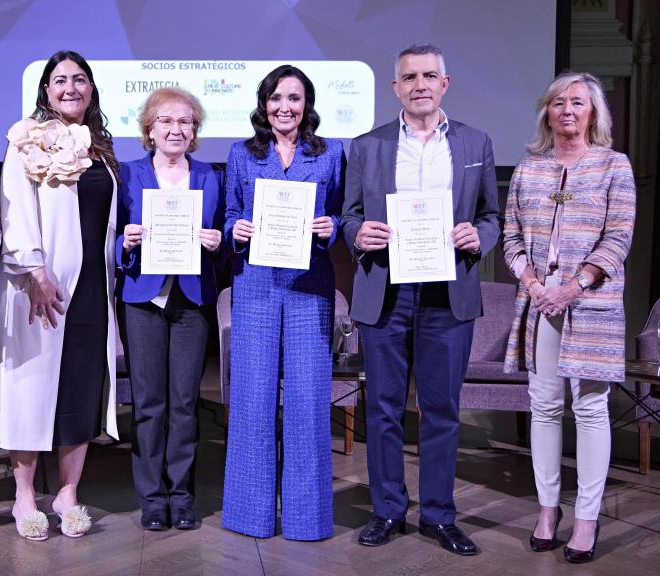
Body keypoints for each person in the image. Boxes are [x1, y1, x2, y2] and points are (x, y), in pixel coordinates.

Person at [341, 43, 500, 556]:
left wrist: (480, 237)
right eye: (409, 77)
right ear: (396, 88)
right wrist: (357, 233)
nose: (420, 85)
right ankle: (387, 510)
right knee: (383, 409)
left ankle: (438, 515)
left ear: (445, 83)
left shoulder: (475, 142)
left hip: (447, 295)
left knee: (441, 410)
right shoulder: (367, 145)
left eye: (429, 75)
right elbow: (348, 216)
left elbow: (491, 217)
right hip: (386, 291)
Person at [502, 71, 635, 564]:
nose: (567, 111)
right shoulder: (528, 169)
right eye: (558, 103)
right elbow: (511, 237)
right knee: (544, 406)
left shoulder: (613, 166)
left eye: (577, 102)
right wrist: (536, 285)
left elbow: (618, 237)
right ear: (547, 112)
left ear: (593, 112)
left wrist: (574, 286)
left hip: (592, 303)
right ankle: (547, 511)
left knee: (591, 408)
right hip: (541, 302)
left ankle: (586, 518)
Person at [0, 50, 119, 541]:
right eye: (61, 80)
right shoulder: (25, 139)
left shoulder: (101, 147)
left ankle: (67, 492)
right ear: (46, 89)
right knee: (31, 386)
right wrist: (34, 270)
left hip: (91, 287)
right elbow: (15, 209)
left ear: (91, 89)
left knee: (81, 386)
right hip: (40, 285)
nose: (71, 88)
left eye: (80, 79)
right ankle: (25, 494)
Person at [222, 65, 345, 541]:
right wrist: (236, 229)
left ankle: (306, 519)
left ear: (306, 104)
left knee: (308, 402)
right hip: (255, 283)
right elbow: (231, 213)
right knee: (251, 398)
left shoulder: (331, 152)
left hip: (310, 286)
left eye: (294, 98)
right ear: (264, 104)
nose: (284, 107)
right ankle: (248, 514)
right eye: (276, 98)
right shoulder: (242, 153)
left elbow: (341, 212)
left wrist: (331, 227)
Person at [117, 87, 224, 531]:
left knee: (184, 402)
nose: (175, 129)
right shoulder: (127, 173)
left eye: (185, 121)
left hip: (191, 299)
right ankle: (152, 500)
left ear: (194, 130)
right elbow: (112, 239)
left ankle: (181, 497)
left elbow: (223, 236)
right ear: (150, 128)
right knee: (148, 403)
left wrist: (218, 243)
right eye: (166, 120)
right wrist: (124, 243)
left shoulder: (210, 176)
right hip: (143, 299)